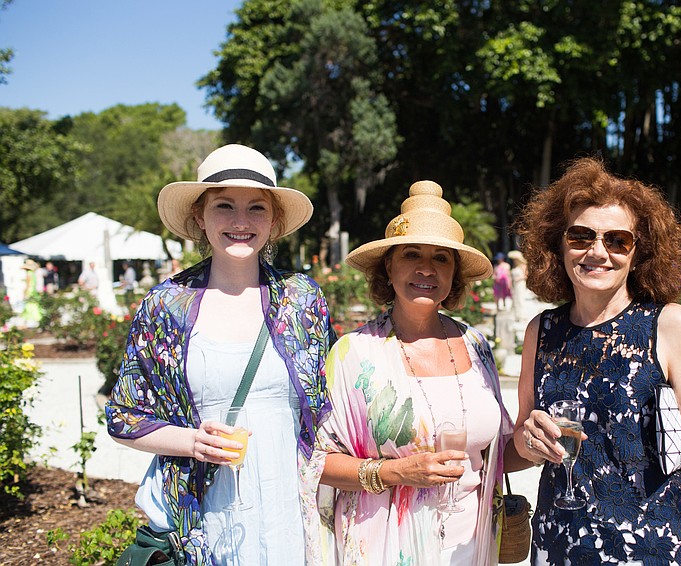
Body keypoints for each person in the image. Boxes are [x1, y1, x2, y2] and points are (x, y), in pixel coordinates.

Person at [105, 144, 334, 565]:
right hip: (204, 514)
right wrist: (193, 442)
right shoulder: (167, 305)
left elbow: (331, 409)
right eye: (224, 206)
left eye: (256, 208)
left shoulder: (302, 301)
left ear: (275, 221)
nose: (241, 222)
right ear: (200, 217)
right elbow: (124, 418)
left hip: (293, 513)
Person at [512, 157, 681, 565]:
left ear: (638, 251)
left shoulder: (669, 324)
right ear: (557, 244)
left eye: (617, 240)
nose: (598, 251)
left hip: (651, 546)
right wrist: (530, 440)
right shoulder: (540, 331)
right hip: (559, 544)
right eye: (580, 236)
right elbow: (521, 447)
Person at [317, 180, 528, 565]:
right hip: (385, 547)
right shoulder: (353, 355)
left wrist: (534, 446)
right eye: (411, 253)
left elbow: (496, 454)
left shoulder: (476, 345)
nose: (426, 268)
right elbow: (316, 463)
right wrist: (397, 472)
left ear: (454, 272)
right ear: (389, 265)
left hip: (472, 546)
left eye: (441, 258)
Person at [20, 259, 43, 328]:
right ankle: (35, 321)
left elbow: (28, 285)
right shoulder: (33, 274)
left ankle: (29, 322)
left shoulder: (28, 274)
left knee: (29, 306)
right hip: (34, 291)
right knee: (34, 305)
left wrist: (25, 293)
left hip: (30, 291)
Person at [507, 250, 528, 322]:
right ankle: (517, 315)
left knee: (520, 299)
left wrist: (518, 279)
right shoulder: (514, 266)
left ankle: (522, 316)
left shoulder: (523, 266)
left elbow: (526, 276)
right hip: (515, 284)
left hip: (520, 284)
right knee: (515, 299)